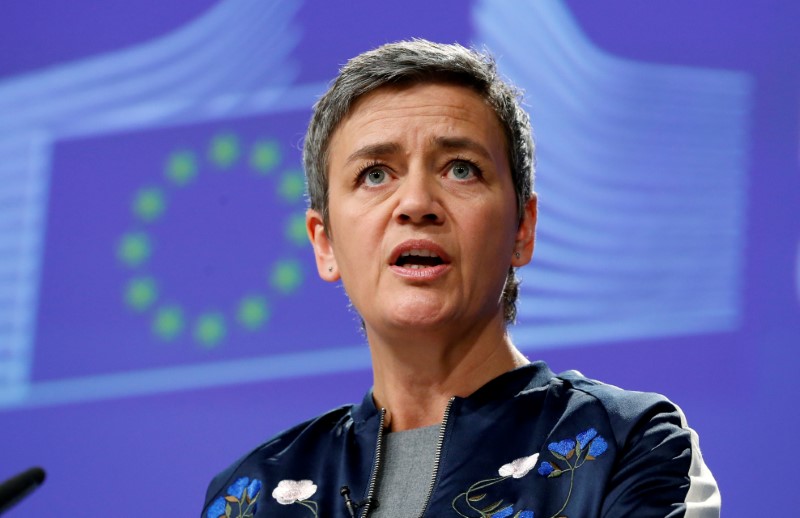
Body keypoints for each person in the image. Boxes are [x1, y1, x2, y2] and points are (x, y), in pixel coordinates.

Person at [201, 40, 720, 518]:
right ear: (325, 242)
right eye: (375, 174)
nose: (417, 205)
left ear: (523, 229)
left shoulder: (630, 444)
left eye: (461, 169)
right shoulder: (251, 495)